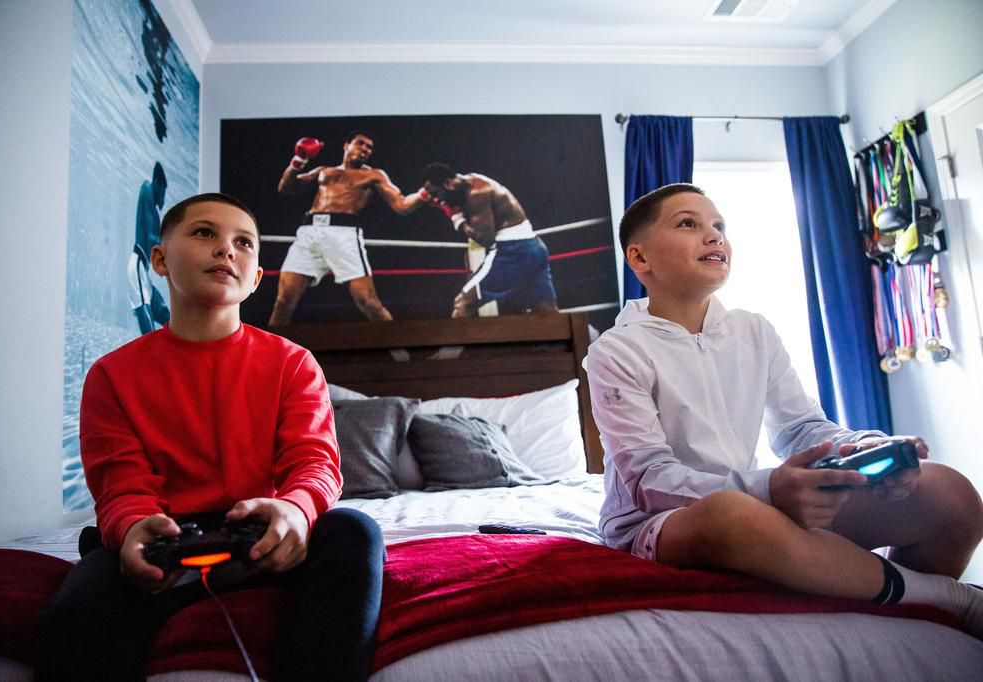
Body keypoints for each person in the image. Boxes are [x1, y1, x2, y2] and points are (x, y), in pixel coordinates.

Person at [586, 183, 983, 636]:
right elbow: (649, 480)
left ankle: (906, 628)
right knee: (732, 514)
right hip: (661, 524)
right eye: (688, 224)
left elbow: (800, 427)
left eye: (719, 226)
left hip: (757, 502)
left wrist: (863, 447)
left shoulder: (754, 332)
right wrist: (768, 491)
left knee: (949, 494)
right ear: (640, 259)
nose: (714, 236)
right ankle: (947, 599)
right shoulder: (615, 353)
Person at [37, 193, 385, 681]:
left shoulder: (292, 363)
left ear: (257, 277)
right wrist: (134, 526)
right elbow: (119, 483)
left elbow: (315, 462)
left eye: (243, 243)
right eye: (205, 233)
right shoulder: (112, 375)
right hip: (164, 537)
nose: (227, 250)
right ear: (159, 258)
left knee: (353, 532)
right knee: (90, 586)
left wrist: (296, 509)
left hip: (265, 532)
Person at [269, 131, 425, 325]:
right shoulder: (324, 171)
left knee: (369, 303)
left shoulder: (373, 175)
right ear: (346, 146)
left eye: (369, 148)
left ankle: (402, 353)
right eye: (360, 144)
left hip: (343, 236)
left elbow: (401, 205)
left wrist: (424, 194)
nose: (365, 150)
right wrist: (299, 159)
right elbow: (286, 187)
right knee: (283, 302)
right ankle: (268, 355)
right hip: (308, 233)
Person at [420, 162, 559, 318]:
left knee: (463, 302)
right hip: (535, 247)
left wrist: (457, 220)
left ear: (448, 183)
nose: (438, 199)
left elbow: (485, 239)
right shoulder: (471, 181)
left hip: (512, 251)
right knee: (547, 312)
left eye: (437, 193)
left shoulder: (477, 194)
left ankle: (457, 343)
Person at [128, 161, 170, 334]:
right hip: (137, 265)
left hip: (144, 271)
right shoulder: (146, 189)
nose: (163, 196)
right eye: (163, 190)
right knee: (148, 330)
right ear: (158, 183)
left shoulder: (153, 209)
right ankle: (151, 359)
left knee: (166, 315)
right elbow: (153, 239)